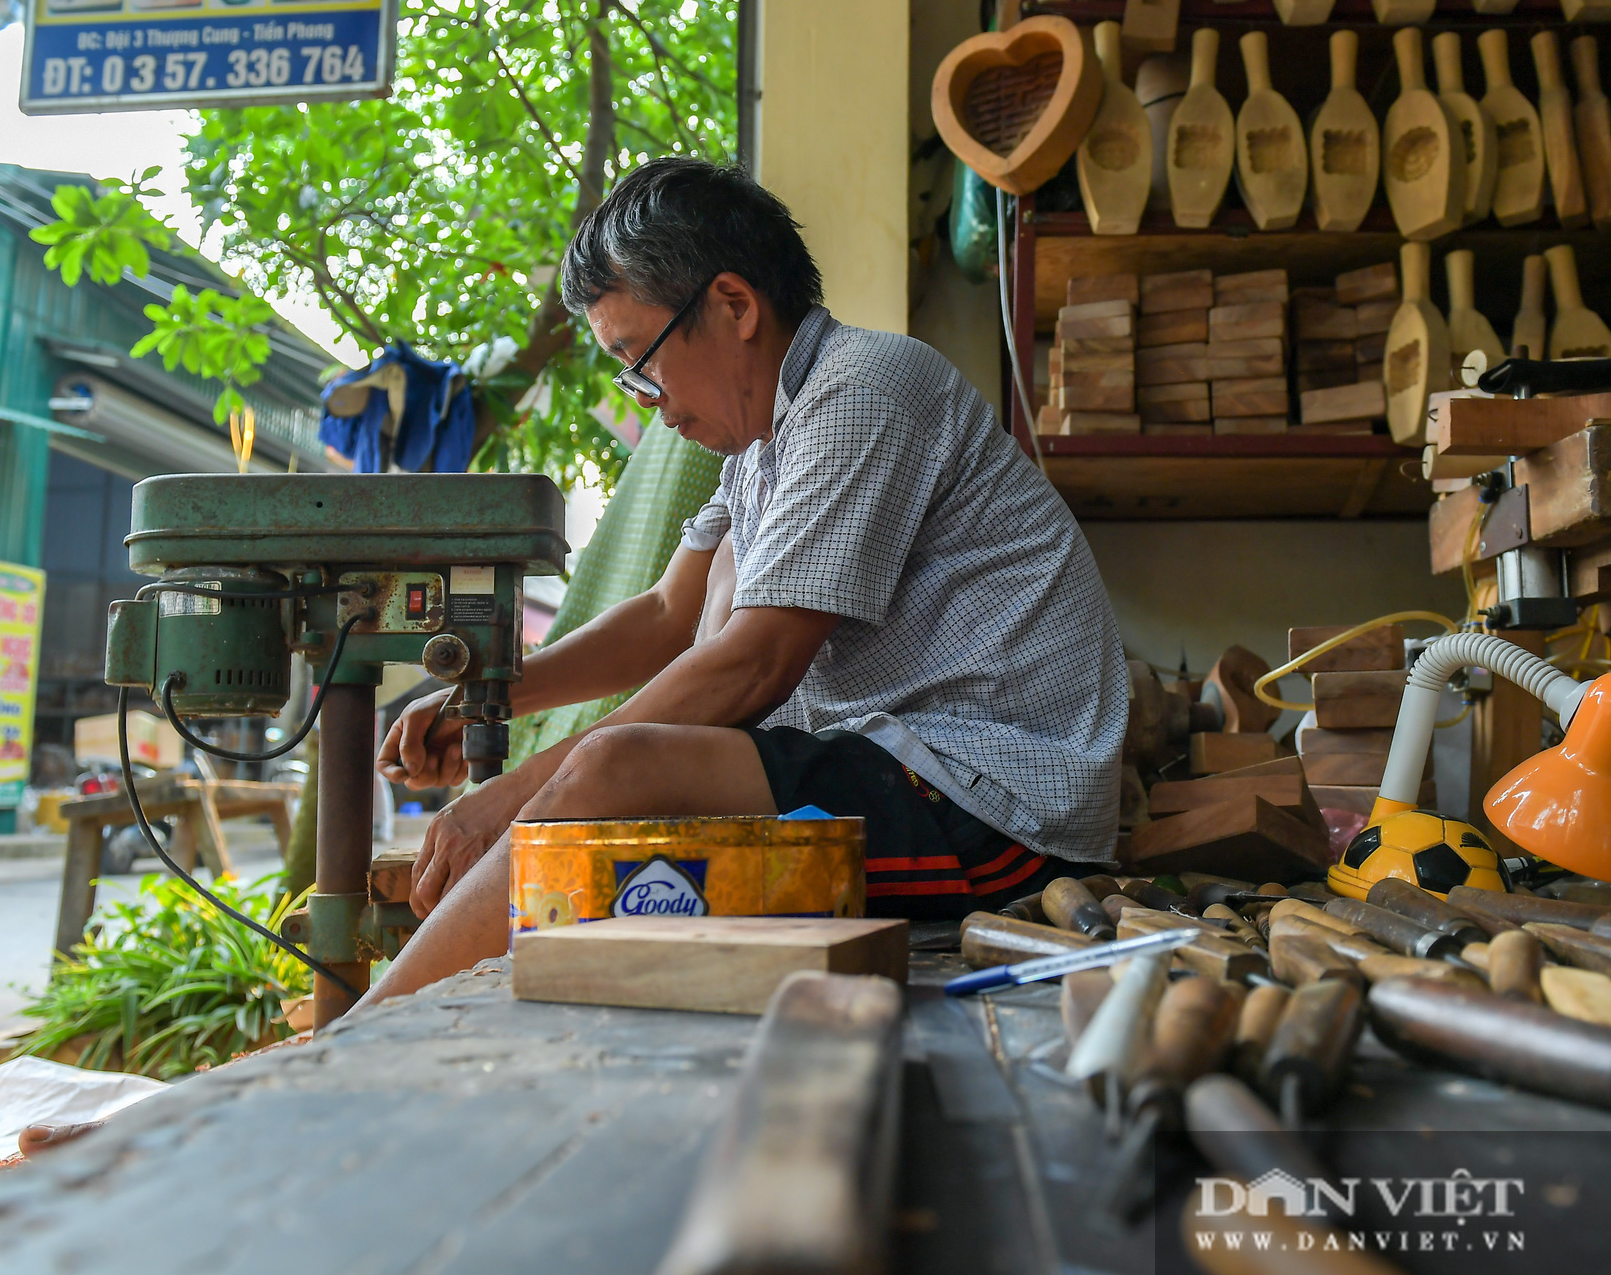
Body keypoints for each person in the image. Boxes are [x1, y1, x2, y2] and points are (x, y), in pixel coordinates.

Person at [361, 158, 1125, 1008]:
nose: (649, 400)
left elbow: (754, 664)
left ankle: (360, 1032)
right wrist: (490, 698)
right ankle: (400, 1006)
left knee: (615, 765)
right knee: (639, 735)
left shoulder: (862, 393)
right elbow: (663, 615)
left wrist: (508, 800)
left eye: (639, 360)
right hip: (901, 770)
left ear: (734, 305)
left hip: (1000, 803)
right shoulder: (763, 447)